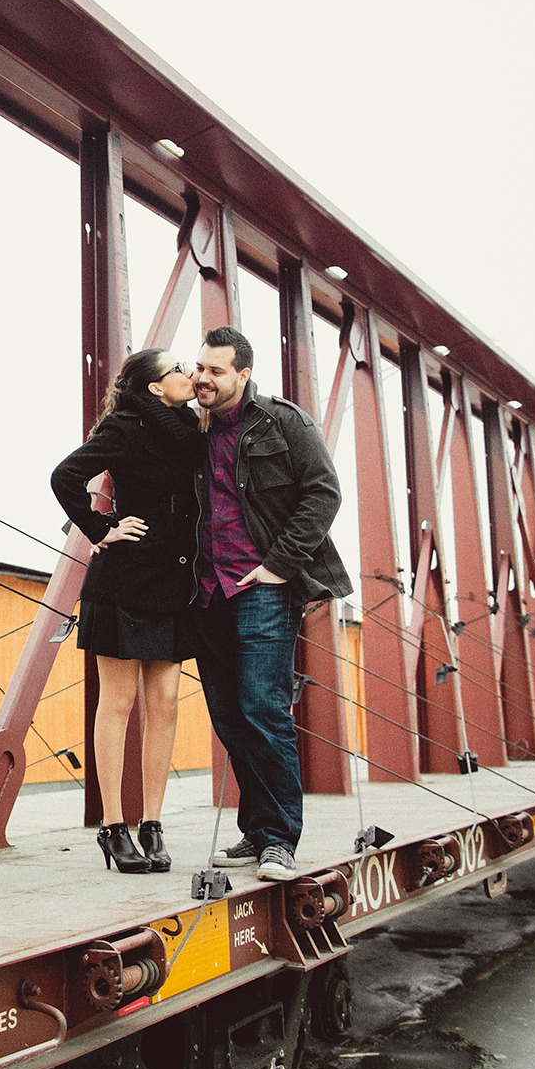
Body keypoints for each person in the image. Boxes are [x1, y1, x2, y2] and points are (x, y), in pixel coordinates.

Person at [191, 326, 351, 881]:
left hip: (261, 586)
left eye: (215, 370)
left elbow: (324, 491)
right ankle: (255, 830)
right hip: (207, 592)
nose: (202, 378)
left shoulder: (283, 421)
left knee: (263, 709)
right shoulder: (190, 428)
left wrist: (280, 565)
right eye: (199, 367)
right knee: (231, 719)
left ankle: (279, 840)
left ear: (243, 375)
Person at [51, 348, 205, 873]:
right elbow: (65, 477)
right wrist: (101, 529)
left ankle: (153, 824)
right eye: (179, 368)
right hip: (125, 578)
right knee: (117, 703)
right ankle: (114, 827)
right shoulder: (126, 426)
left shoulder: (192, 430)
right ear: (157, 387)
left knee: (165, 703)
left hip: (173, 582)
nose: (190, 373)